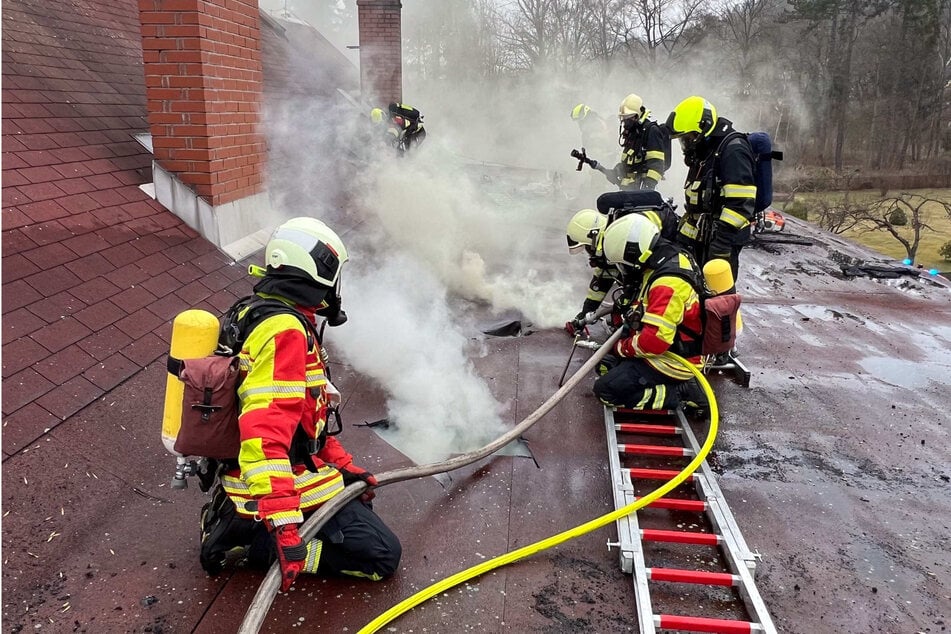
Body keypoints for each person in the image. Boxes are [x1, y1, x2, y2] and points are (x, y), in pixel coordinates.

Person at [199, 217, 401, 592]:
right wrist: (285, 528)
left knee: (360, 510)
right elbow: (265, 432)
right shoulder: (286, 332)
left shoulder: (258, 311)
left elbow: (306, 422)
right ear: (316, 272)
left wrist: (344, 468)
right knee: (381, 556)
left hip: (263, 471)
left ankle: (239, 521)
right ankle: (251, 545)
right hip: (271, 480)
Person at [592, 213, 706, 410]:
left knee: (605, 391)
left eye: (623, 264)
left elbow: (654, 342)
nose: (623, 269)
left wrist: (622, 347)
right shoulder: (664, 259)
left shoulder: (667, 284)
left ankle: (679, 393)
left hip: (672, 361)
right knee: (605, 364)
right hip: (669, 349)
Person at [564, 191, 680, 336]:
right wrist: (585, 313)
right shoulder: (612, 234)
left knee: (640, 300)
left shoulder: (626, 235)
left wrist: (623, 305)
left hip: (668, 257)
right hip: (654, 256)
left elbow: (634, 277)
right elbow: (602, 280)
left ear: (594, 236)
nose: (588, 252)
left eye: (587, 247)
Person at [665, 96, 756, 280]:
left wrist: (721, 244)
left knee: (716, 296)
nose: (685, 144)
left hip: (723, 241)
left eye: (688, 138)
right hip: (701, 238)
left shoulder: (733, 151)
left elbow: (741, 203)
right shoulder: (706, 151)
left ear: (704, 128)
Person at [614, 93, 670, 191]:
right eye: (623, 118)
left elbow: (657, 163)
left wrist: (648, 187)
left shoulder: (651, 130)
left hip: (643, 190)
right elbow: (629, 161)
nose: (625, 121)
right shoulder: (633, 133)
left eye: (628, 117)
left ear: (637, 115)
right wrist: (619, 170)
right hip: (630, 189)